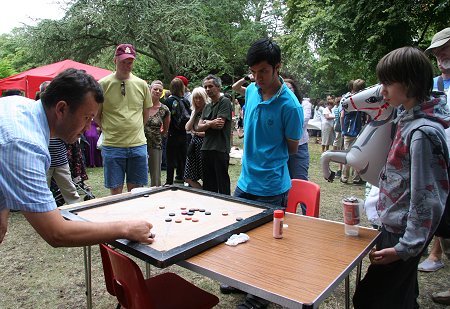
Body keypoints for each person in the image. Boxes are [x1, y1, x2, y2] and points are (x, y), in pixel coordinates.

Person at [0, 68, 154, 248]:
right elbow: (57, 233)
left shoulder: (16, 104)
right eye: (87, 117)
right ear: (62, 109)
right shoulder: (25, 145)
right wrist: (125, 228)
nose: (89, 127)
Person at [352, 46, 449, 309]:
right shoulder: (406, 118)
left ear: (408, 83)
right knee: (401, 297)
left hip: (403, 234)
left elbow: (427, 199)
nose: (381, 90)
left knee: (369, 299)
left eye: (387, 83)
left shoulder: (422, 134)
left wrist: (404, 248)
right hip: (395, 227)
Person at [225, 38, 303, 309]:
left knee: (266, 244)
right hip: (246, 180)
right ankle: (240, 279)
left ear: (277, 67)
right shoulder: (251, 92)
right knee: (236, 233)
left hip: (271, 185)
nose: (258, 78)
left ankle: (259, 296)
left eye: (264, 72)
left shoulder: (291, 106)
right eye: (254, 72)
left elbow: (292, 148)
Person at [95, 44, 151, 195]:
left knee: (137, 192)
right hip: (113, 145)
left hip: (138, 144)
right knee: (116, 192)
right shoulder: (102, 84)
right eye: (123, 62)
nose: (127, 65)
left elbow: (146, 112)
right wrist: (107, 128)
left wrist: (137, 128)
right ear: (115, 61)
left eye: (130, 62)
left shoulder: (142, 84)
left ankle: (134, 218)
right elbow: (96, 114)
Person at [418, 27, 450, 275]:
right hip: (439, 159)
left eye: (446, 49)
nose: (441, 55)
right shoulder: (435, 83)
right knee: (442, 216)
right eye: (438, 52)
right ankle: (437, 253)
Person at [196, 74, 232, 195]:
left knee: (222, 184)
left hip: (220, 148)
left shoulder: (225, 102)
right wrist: (210, 123)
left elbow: (219, 125)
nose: (207, 89)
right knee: (208, 185)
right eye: (205, 87)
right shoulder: (207, 106)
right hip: (206, 148)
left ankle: (226, 208)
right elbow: (198, 127)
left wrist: (206, 123)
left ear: (218, 87)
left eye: (210, 86)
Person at [164, 77, 191, 185]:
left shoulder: (168, 101)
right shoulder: (185, 101)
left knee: (170, 159)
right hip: (183, 133)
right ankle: (185, 179)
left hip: (171, 133)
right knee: (183, 158)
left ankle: (169, 181)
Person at [144, 80, 170, 187]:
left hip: (155, 144)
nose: (158, 91)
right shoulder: (142, 105)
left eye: (160, 90)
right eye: (155, 89)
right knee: (139, 172)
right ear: (150, 90)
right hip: (138, 142)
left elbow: (165, 130)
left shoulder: (164, 109)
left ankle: (156, 194)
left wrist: (157, 134)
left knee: (155, 175)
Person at [340, 79, 366, 184]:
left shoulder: (346, 99)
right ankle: (356, 177)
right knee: (358, 154)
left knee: (347, 153)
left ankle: (344, 177)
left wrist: (343, 129)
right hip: (360, 130)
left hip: (348, 130)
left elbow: (342, 115)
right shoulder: (364, 99)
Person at [285, 78, 310, 180]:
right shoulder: (279, 104)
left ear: (294, 89)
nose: (287, 90)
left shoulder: (305, 104)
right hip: (282, 148)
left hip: (300, 146)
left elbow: (302, 121)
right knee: (283, 180)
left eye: (289, 88)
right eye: (284, 88)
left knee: (299, 178)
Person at [184, 87, 209, 188]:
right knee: (188, 177)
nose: (198, 100)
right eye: (195, 98)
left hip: (205, 146)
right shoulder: (194, 111)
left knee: (206, 176)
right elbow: (187, 128)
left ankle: (206, 194)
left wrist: (198, 132)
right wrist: (194, 114)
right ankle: (202, 192)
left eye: (200, 98)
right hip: (194, 146)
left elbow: (209, 132)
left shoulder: (209, 110)